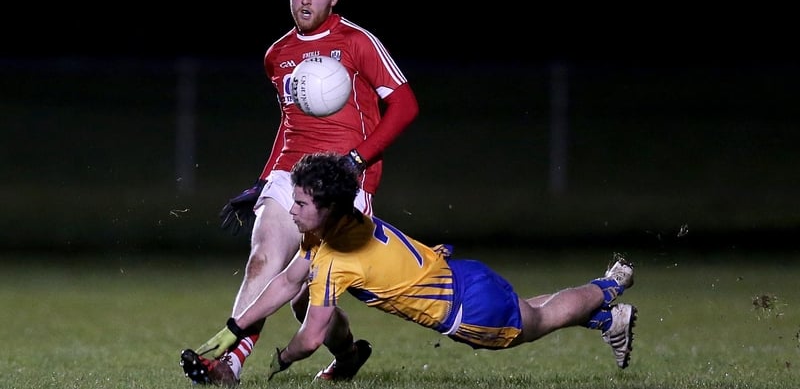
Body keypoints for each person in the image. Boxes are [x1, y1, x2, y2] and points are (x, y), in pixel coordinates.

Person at [182, 152, 639, 384]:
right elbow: (287, 280)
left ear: (326, 207)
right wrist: (234, 328)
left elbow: (312, 335)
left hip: (470, 314)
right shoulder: (342, 224)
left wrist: (283, 359)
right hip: (462, 276)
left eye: (299, 202)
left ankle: (609, 285)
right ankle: (605, 317)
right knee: (532, 309)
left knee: (540, 319)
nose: (291, 208)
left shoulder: (334, 262)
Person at [182, 0, 419, 386]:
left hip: (344, 183)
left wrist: (357, 159)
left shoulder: (357, 42)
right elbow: (289, 122)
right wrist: (262, 179)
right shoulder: (278, 54)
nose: (306, 0)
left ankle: (348, 353)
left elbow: (405, 106)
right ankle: (228, 365)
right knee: (263, 262)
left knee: (305, 300)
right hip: (291, 173)